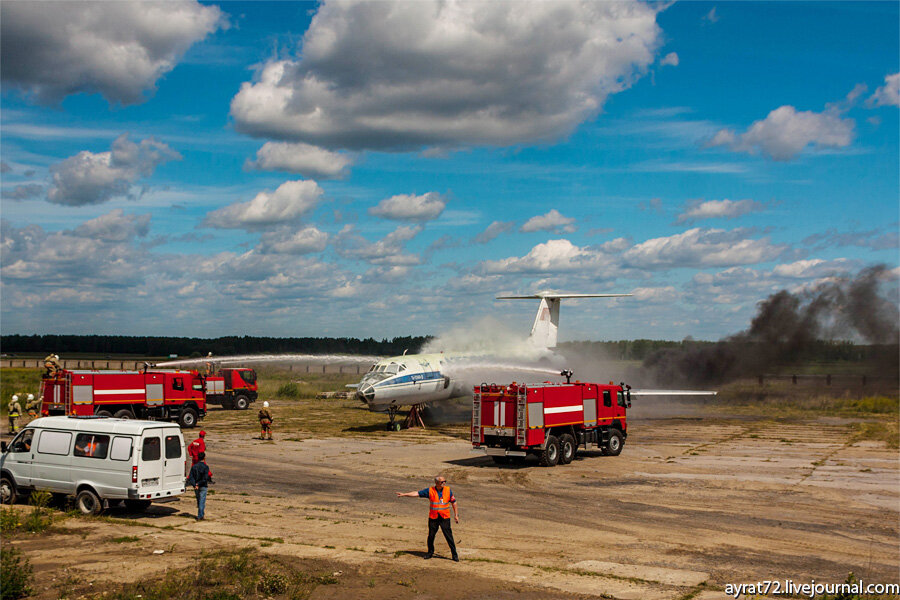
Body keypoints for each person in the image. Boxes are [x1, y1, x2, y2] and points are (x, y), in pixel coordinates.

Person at [396, 476, 460, 562]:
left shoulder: (448, 490)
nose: (444, 483)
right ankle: (430, 552)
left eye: (445, 481)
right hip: (433, 518)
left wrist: (456, 515)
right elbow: (417, 493)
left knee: (449, 536)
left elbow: (454, 502)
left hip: (444, 517)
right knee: (431, 536)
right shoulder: (430, 491)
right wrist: (404, 494)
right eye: (442, 482)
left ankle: (454, 555)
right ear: (436, 483)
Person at [186, 450, 213, 520]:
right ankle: (200, 515)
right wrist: (199, 484)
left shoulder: (194, 467)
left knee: (199, 500)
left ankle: (201, 513)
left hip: (196, 486)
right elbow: (205, 478)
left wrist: (195, 484)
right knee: (202, 501)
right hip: (203, 485)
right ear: (204, 458)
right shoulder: (205, 467)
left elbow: (191, 477)